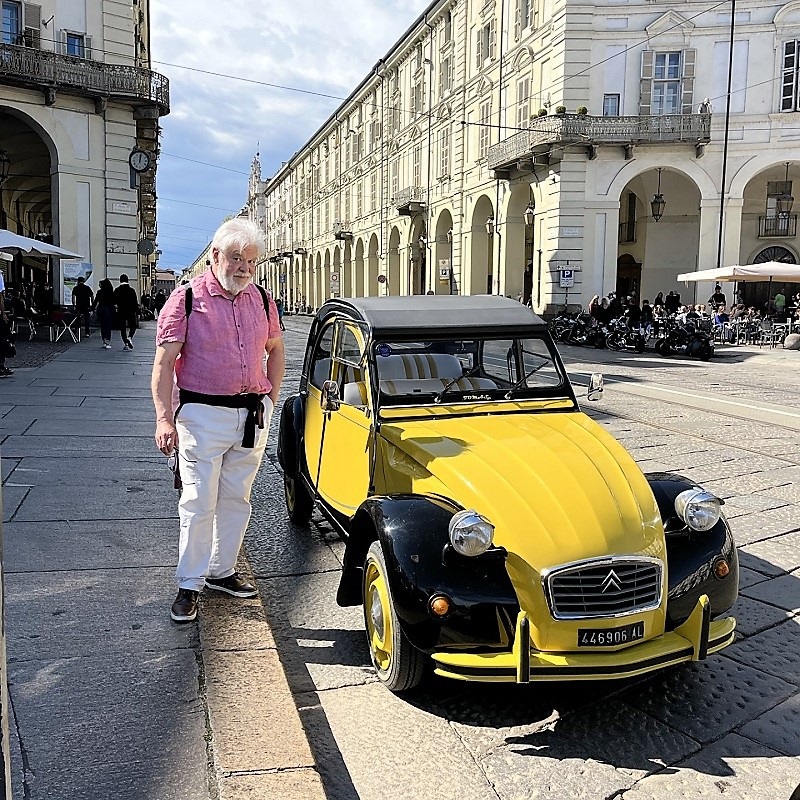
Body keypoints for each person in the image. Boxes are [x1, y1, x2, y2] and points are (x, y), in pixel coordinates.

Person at [151, 218, 285, 624]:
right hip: (201, 415)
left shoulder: (261, 299)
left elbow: (276, 349)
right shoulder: (187, 299)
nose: (244, 267)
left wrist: (271, 399)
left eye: (251, 261)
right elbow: (164, 363)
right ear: (215, 257)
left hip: (251, 416)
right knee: (197, 501)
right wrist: (163, 419)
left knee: (236, 498)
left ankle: (221, 571)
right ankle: (189, 583)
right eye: (236, 258)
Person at [113, 274, 140, 350]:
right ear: (127, 280)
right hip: (131, 311)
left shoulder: (117, 290)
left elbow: (113, 301)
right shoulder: (132, 290)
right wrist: (137, 311)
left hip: (121, 311)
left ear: (120, 280)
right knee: (133, 326)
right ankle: (130, 337)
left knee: (123, 328)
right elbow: (135, 302)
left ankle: (126, 343)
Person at [94, 278, 115, 349]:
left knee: (102, 326)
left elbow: (96, 301)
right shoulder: (111, 292)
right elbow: (114, 302)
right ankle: (108, 341)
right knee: (108, 326)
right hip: (109, 309)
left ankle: (104, 340)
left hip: (101, 309)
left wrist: (92, 308)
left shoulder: (99, 292)